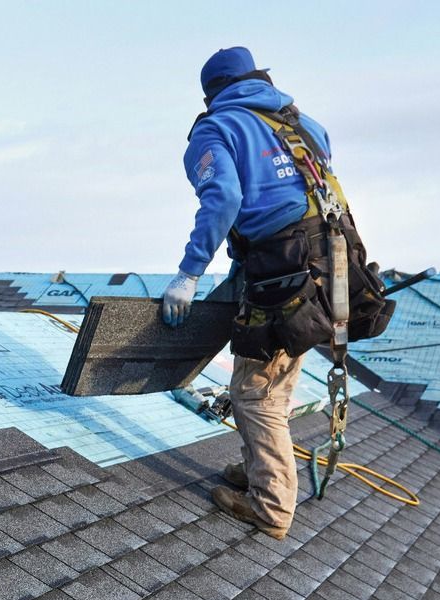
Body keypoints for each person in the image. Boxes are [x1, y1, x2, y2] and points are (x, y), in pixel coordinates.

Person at [161, 47, 383, 540]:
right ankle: (263, 468)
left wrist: (189, 272)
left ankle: (270, 506)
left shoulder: (217, 128)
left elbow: (226, 197)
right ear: (260, 79)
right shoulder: (304, 125)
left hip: (282, 270)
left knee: (250, 394)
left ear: (211, 93)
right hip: (334, 265)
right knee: (276, 378)